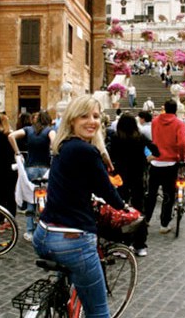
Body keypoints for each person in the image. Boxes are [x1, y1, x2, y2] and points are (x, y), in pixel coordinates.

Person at [32, 95, 125, 317]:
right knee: (99, 312)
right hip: (72, 240)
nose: (92, 121)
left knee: (69, 273)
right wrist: (125, 208)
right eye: (84, 116)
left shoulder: (62, 146)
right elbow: (106, 190)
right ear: (72, 119)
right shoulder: (86, 150)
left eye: (95, 116)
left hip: (43, 235)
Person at [107, 113, 159, 256]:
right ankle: (140, 244)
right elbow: (157, 151)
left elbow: (109, 155)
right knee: (138, 209)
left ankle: (124, 243)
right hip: (138, 177)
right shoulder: (140, 138)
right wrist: (147, 159)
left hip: (121, 178)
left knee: (121, 209)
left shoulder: (116, 138)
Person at [9, 110, 56, 241]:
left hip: (30, 168)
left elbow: (11, 136)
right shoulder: (49, 131)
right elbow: (54, 141)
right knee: (45, 199)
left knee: (30, 199)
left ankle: (30, 231)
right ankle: (44, 229)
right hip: (45, 169)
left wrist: (17, 153)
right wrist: (53, 151)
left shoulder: (28, 130)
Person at [145, 99, 185, 233]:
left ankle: (146, 220)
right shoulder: (179, 123)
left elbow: (154, 139)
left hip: (156, 161)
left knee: (151, 193)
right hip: (170, 162)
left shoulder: (155, 121)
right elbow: (181, 143)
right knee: (168, 194)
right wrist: (181, 157)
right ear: (175, 110)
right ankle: (164, 224)